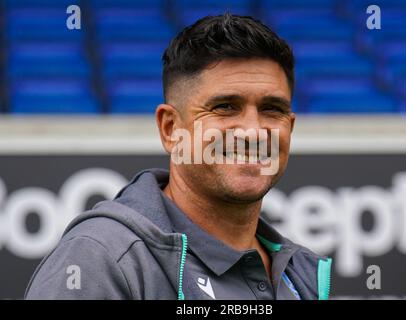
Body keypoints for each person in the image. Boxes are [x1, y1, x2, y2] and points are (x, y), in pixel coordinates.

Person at [25, 13, 332, 300]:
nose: (252, 132)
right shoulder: (100, 259)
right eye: (225, 107)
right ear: (170, 128)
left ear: (289, 127)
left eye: (272, 109)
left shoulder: (300, 274)